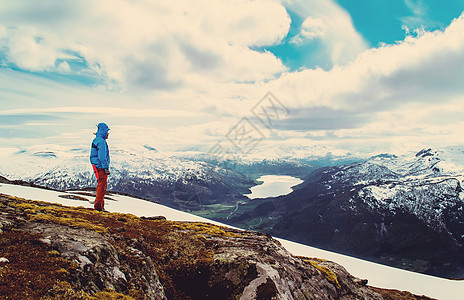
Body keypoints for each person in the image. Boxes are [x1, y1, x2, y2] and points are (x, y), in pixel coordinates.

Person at [90, 122, 111, 211]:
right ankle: (98, 206)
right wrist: (106, 168)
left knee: (101, 185)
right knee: (102, 186)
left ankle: (101, 206)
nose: (108, 134)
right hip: (100, 167)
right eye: (107, 132)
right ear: (104, 131)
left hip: (96, 165)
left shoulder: (96, 140)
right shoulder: (101, 142)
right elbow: (102, 157)